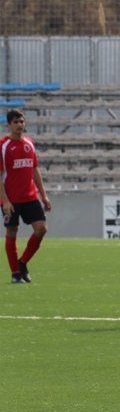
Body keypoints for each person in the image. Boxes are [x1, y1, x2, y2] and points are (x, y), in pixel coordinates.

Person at [0, 109, 51, 283]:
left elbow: (34, 170)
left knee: (41, 229)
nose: (20, 125)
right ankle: (15, 273)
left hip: (30, 197)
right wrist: (5, 200)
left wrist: (43, 196)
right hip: (11, 199)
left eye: (22, 121)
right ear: (9, 125)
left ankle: (22, 263)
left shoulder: (29, 143)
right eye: (16, 122)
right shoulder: (3, 146)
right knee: (12, 232)